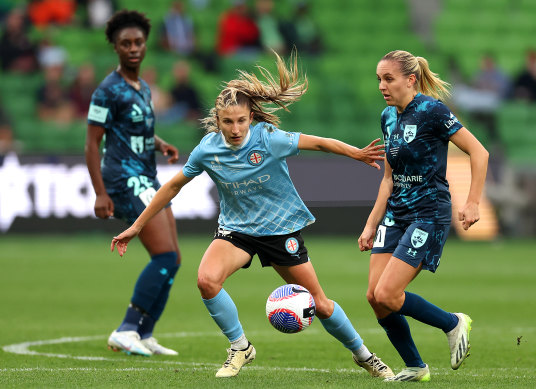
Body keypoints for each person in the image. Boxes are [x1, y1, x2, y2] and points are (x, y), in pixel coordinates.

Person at [111, 51, 394, 379]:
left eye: (241, 120)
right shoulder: (207, 149)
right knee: (206, 280)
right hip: (237, 230)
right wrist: (136, 226)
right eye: (228, 121)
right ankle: (240, 347)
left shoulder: (268, 139)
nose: (235, 129)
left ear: (251, 118)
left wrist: (356, 153)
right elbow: (173, 186)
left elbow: (320, 142)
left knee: (320, 303)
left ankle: (364, 355)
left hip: (279, 229)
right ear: (218, 120)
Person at [358, 50, 489, 382]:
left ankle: (453, 323)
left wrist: (473, 202)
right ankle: (416, 367)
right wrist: (372, 223)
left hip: (428, 213)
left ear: (410, 79)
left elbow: (479, 152)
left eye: (388, 79)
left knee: (389, 294)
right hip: (396, 214)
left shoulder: (432, 111)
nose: (382, 86)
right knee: (376, 298)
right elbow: (388, 178)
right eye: (379, 79)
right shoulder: (388, 117)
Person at [84, 10, 181, 357]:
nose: (133, 48)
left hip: (148, 177)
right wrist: (100, 192)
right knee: (164, 256)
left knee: (175, 258)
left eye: (138, 42)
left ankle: (144, 332)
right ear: (115, 47)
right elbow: (92, 143)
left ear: (145, 44)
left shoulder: (143, 88)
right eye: (126, 43)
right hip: (124, 179)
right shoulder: (107, 91)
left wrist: (160, 144)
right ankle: (126, 329)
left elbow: (138, 130)